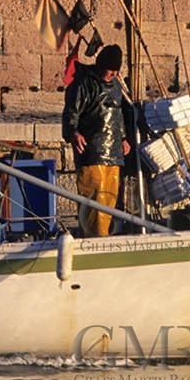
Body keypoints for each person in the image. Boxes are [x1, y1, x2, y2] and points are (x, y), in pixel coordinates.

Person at [62, 44, 130, 237]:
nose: (113, 75)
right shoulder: (83, 84)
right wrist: (74, 133)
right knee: (94, 202)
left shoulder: (116, 86)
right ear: (101, 66)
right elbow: (71, 112)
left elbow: (117, 114)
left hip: (113, 153)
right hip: (91, 152)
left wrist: (123, 138)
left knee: (109, 201)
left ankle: (104, 238)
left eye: (116, 71)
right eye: (110, 70)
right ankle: (93, 240)